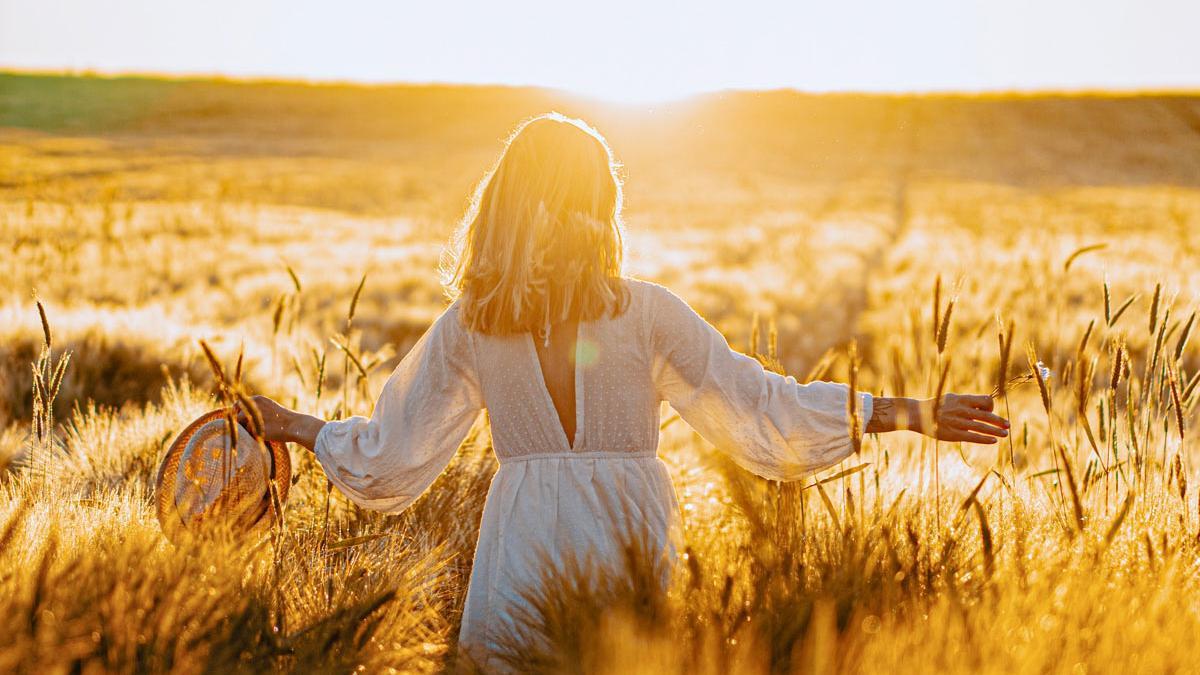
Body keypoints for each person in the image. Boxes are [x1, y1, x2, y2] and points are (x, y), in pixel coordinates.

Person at [242, 113, 1009, 669]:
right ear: (598, 205)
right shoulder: (644, 314)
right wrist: (906, 412)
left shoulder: (474, 323)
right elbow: (762, 410)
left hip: (522, 555)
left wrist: (294, 424)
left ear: (506, 205)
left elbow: (390, 451)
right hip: (626, 543)